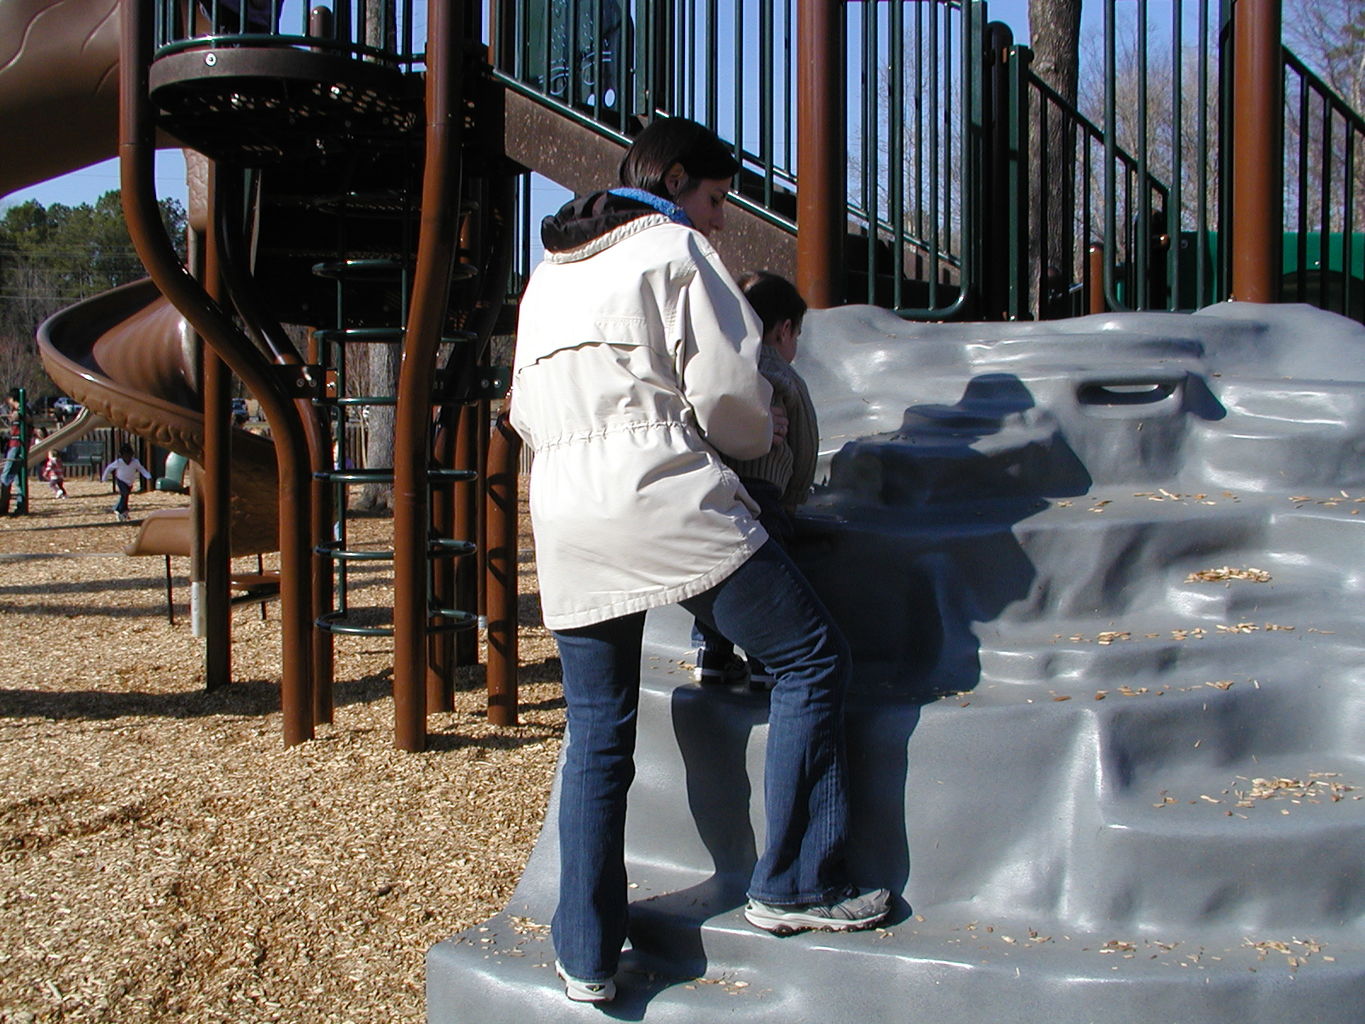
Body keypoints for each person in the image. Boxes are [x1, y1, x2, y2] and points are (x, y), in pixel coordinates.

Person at [509, 116, 888, 1005]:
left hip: (565, 516)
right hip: (659, 496)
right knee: (810, 655)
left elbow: (524, 408)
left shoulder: (547, 277)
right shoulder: (671, 250)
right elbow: (728, 393)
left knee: (596, 734)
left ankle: (586, 949)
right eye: (717, 198)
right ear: (677, 182)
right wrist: (762, 447)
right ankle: (796, 881)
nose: (721, 220)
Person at [692, 270, 819, 690]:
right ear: (784, 329)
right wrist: (795, 498)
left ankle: (711, 654)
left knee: (717, 577)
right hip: (765, 495)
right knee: (768, 585)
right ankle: (766, 663)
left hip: (718, 490)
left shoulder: (723, 366)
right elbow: (805, 441)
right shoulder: (785, 377)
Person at [101, 444, 151, 521]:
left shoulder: (135, 462)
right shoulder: (119, 462)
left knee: (125, 496)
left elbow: (141, 469)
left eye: (129, 455)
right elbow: (109, 468)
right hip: (121, 480)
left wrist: (148, 476)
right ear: (122, 456)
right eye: (125, 456)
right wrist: (104, 478)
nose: (127, 458)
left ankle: (122, 510)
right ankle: (120, 510)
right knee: (125, 493)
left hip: (130, 482)